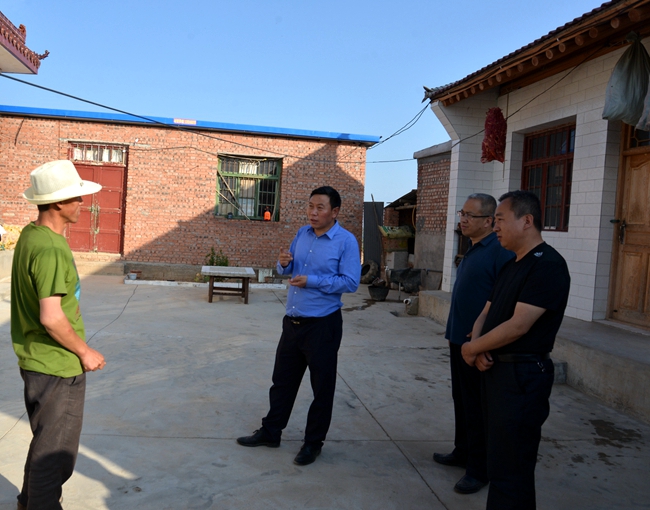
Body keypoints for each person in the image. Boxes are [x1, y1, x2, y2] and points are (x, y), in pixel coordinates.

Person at [461, 190, 570, 510]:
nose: (495, 227)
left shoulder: (548, 265)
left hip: (523, 377)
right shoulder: (512, 264)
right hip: (497, 371)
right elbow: (486, 312)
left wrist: (471, 348)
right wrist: (478, 348)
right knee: (499, 461)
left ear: (527, 221)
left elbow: (519, 325)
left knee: (513, 468)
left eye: (500, 220)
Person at [237, 186, 360, 465]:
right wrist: (283, 264)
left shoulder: (346, 241)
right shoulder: (302, 234)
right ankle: (271, 432)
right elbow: (289, 268)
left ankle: (312, 443)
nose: (313, 213)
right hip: (292, 322)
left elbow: (351, 282)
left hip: (322, 325)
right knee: (282, 381)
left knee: (321, 388)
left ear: (335, 211)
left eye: (320, 208)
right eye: (310, 206)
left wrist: (312, 281)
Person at [12, 160, 107, 510]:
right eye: (76, 198)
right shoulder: (50, 248)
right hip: (57, 366)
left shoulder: (31, 235)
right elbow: (51, 317)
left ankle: (27, 502)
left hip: (36, 360)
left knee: (45, 443)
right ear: (56, 203)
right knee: (55, 456)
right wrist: (84, 351)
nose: (82, 203)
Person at [433, 193, 514, 494]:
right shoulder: (473, 248)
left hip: (478, 344)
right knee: (462, 399)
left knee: (478, 407)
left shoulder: (499, 251)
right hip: (459, 340)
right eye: (462, 214)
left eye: (470, 215)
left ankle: (479, 469)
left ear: (489, 221)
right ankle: (462, 450)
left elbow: (503, 302)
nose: (463, 220)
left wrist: (484, 341)